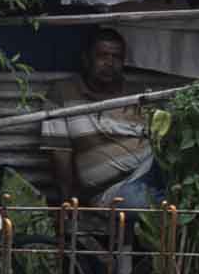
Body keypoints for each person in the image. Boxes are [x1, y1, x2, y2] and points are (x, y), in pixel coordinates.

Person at [39, 32, 160, 203]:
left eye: (116, 57)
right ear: (86, 60)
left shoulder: (138, 95)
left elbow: (160, 142)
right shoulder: (63, 94)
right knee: (144, 203)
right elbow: (59, 154)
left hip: (151, 173)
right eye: (102, 56)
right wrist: (66, 205)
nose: (110, 63)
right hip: (112, 192)